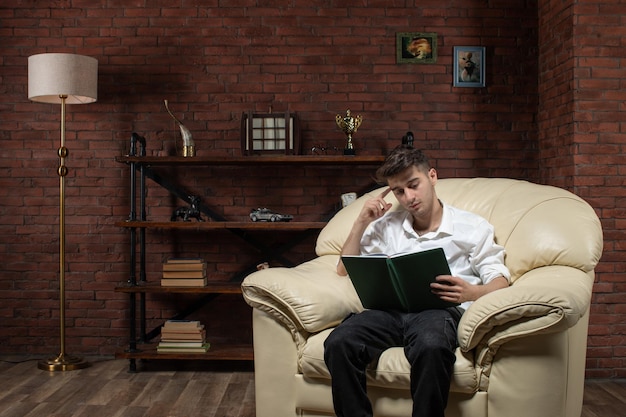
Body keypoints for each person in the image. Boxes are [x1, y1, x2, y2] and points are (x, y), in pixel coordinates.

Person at [324, 145, 511, 417]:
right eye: (399, 191)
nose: (408, 197)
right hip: (389, 313)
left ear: (432, 176)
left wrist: (471, 292)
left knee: (432, 346)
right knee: (339, 342)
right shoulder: (385, 226)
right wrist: (361, 222)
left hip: (438, 312)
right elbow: (344, 268)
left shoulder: (472, 226)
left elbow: (500, 279)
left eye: (414, 185)